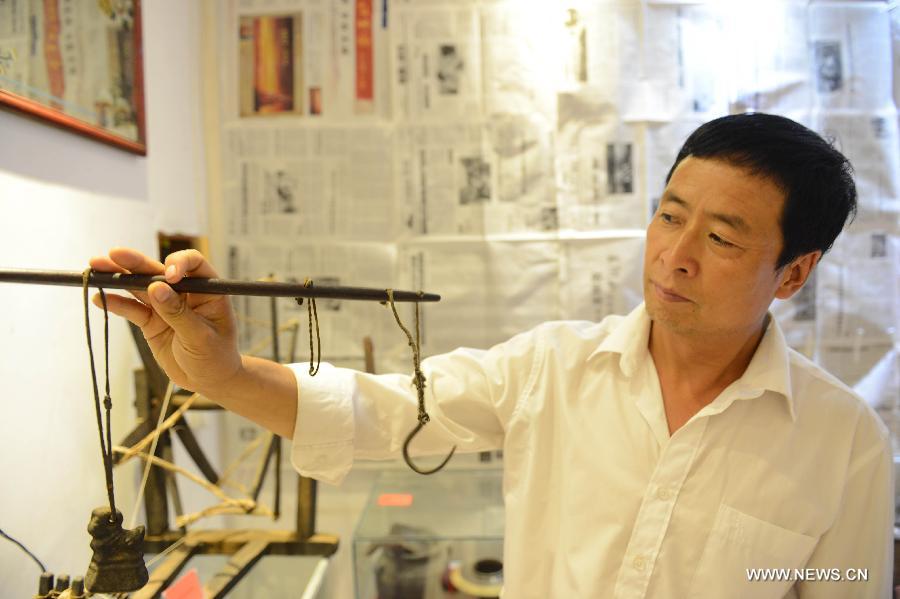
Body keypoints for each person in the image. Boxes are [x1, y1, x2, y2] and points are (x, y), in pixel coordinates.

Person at [90, 113, 892, 598]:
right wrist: (222, 375)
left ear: (793, 272)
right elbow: (379, 410)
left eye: (719, 238)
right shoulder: (552, 367)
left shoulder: (843, 441)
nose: (674, 255)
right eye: (669, 215)